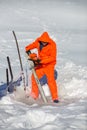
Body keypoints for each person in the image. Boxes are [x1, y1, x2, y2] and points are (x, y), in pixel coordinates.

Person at [25, 32, 59, 103]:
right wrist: (27, 48)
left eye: (45, 42)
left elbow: (53, 58)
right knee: (34, 78)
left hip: (49, 65)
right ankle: (34, 95)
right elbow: (33, 45)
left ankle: (55, 98)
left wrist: (41, 61)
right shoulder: (38, 42)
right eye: (43, 42)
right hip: (41, 64)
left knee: (51, 80)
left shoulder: (52, 45)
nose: (44, 43)